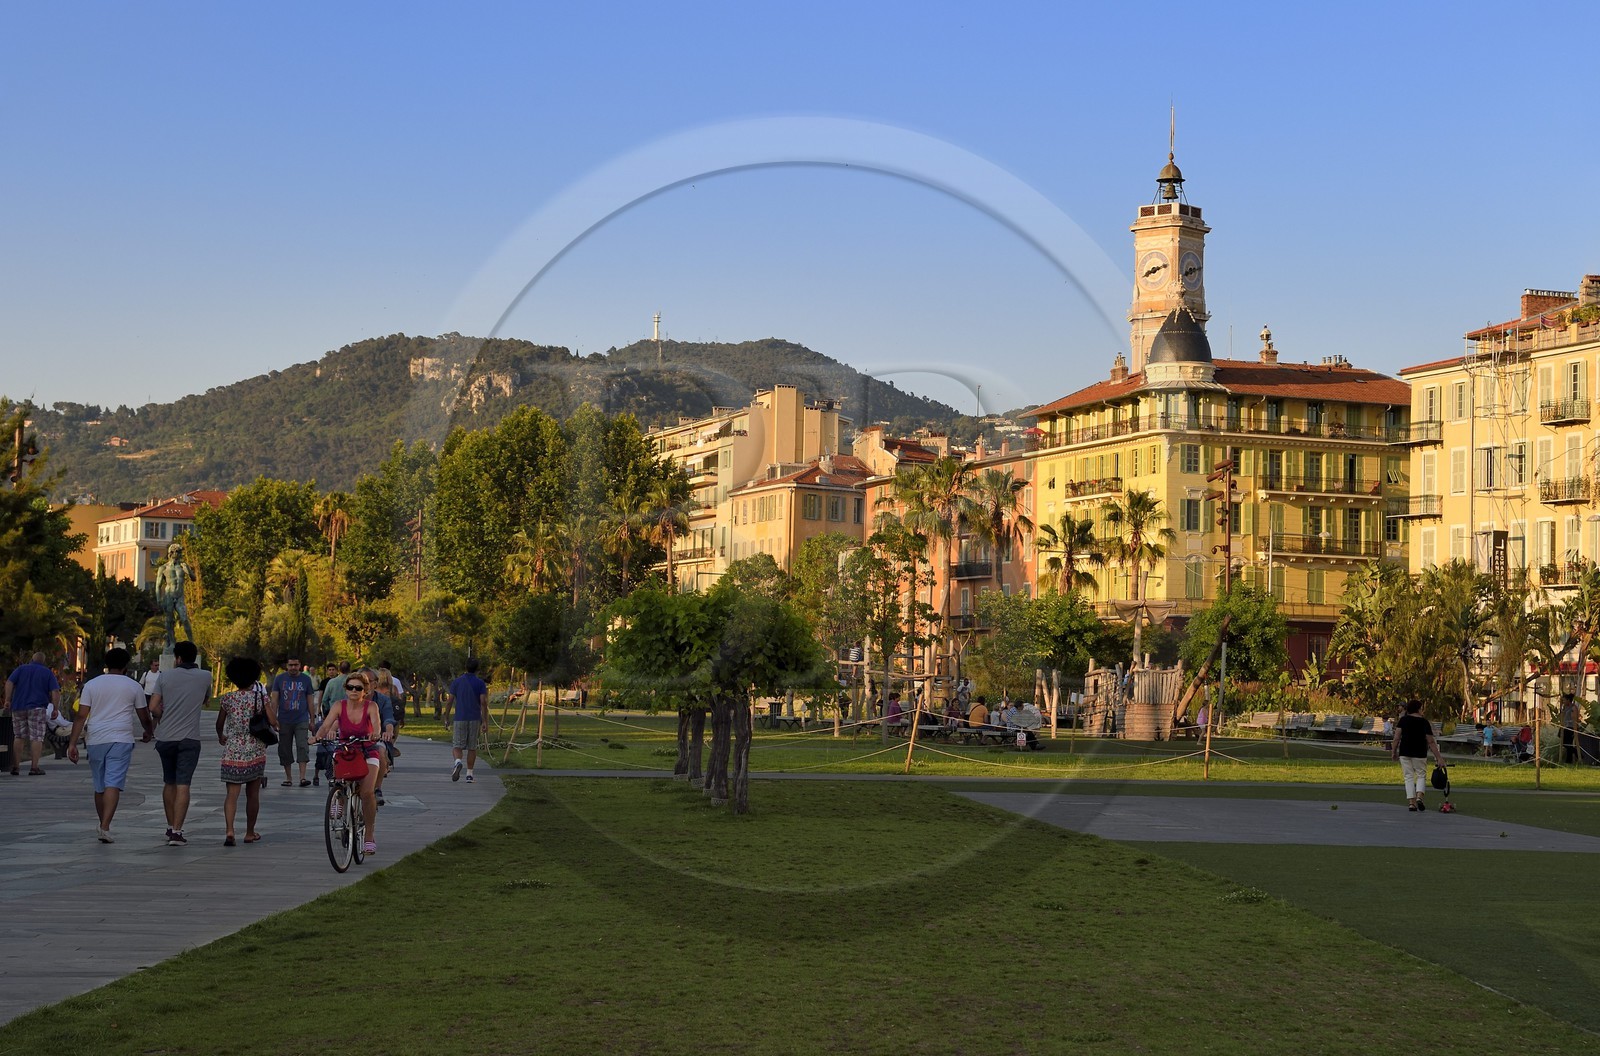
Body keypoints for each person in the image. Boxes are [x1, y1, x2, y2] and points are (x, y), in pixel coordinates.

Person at [66, 648, 152, 842]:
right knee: (113, 782)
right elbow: (143, 715)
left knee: (99, 784)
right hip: (121, 737)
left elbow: (81, 716)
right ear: (126, 665)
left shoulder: (91, 685)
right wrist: (149, 731)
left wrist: (72, 743)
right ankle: (105, 826)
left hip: (96, 738)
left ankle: (102, 822)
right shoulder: (133, 686)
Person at [149, 640, 211, 846]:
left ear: (177, 658)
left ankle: (169, 825)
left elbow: (153, 706)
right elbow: (205, 699)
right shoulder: (205, 676)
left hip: (166, 737)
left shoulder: (164, 676)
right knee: (184, 783)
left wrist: (163, 714)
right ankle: (177, 831)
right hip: (189, 738)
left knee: (169, 781)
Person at [314, 670, 383, 857]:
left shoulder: (371, 707)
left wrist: (375, 733)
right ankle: (340, 800)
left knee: (367, 792)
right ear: (345, 689)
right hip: (346, 750)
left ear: (365, 691)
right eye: (350, 687)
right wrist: (317, 736)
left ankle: (369, 836)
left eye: (358, 688)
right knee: (338, 779)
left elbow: (376, 724)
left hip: (367, 750)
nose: (354, 690)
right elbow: (326, 724)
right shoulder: (339, 705)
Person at [216, 656, 274, 846]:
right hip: (255, 750)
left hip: (232, 750)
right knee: (252, 794)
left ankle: (230, 830)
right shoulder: (260, 697)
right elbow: (272, 720)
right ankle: (249, 832)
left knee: (231, 794)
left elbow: (219, 723)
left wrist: (221, 736)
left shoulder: (227, 699)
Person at [5, 651, 61, 776]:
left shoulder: (21, 669)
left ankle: (15, 766)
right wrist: (55, 708)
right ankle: (34, 767)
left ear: (32, 659)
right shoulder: (47, 672)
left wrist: (8, 699)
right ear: (43, 661)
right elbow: (55, 691)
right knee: (37, 737)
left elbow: (9, 682)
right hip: (37, 708)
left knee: (18, 736)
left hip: (18, 706)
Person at [1391, 699, 1446, 811]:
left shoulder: (1403, 720)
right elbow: (1431, 741)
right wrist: (1439, 757)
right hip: (1420, 752)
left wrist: (1394, 752)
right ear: (1418, 709)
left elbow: (1396, 738)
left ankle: (1411, 802)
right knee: (1421, 775)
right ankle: (1419, 796)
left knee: (1408, 776)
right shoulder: (1424, 722)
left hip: (1405, 752)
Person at [270, 657, 315, 787]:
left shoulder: (306, 679)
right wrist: (274, 719)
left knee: (302, 746)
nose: (293, 668)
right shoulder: (279, 679)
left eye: (296, 665)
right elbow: (274, 701)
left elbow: (310, 700)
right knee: (284, 748)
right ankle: (288, 777)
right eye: (291, 665)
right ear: (287, 666)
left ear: (300, 665)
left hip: (301, 719)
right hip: (284, 719)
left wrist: (312, 719)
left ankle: (302, 777)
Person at [447, 657, 488, 783]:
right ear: (477, 669)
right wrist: (485, 721)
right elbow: (483, 702)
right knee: (472, 747)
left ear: (465, 667)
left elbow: (450, 701)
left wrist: (446, 717)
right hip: (475, 718)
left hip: (460, 717)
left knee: (457, 745)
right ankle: (469, 775)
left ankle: (458, 762)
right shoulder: (480, 683)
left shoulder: (457, 682)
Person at [1559, 694, 1579, 765]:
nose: (1563, 701)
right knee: (1566, 743)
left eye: (1564, 700)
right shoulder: (1565, 707)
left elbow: (1575, 718)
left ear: (1568, 700)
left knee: (1567, 744)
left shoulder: (1573, 708)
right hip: (1565, 726)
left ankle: (1576, 754)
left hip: (1571, 727)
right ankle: (1568, 761)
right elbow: (1562, 714)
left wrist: (1575, 729)